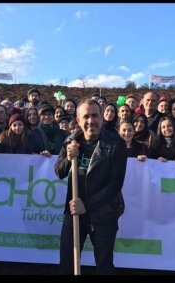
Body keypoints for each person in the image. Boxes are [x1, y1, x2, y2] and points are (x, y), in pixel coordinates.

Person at [55, 100, 127, 275]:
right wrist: (68, 158)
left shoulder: (116, 144)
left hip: (104, 214)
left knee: (104, 266)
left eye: (95, 115)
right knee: (67, 265)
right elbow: (59, 172)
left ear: (102, 118)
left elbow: (115, 184)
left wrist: (86, 205)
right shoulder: (70, 141)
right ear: (78, 119)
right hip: (73, 215)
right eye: (85, 116)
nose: (90, 120)